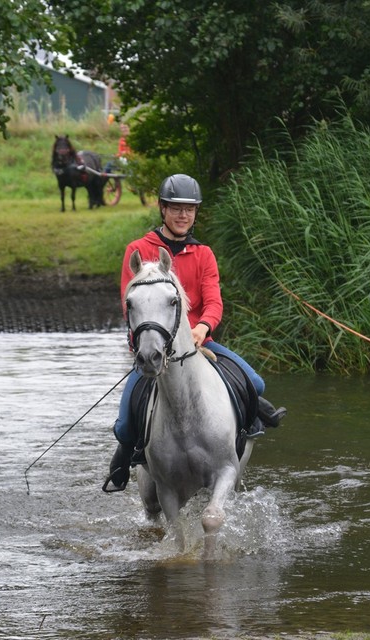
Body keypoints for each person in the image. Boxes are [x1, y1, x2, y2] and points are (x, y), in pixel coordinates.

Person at [104, 173, 285, 491]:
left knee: (255, 383)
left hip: (200, 344)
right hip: (154, 347)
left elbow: (214, 301)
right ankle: (127, 455)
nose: (183, 215)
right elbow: (129, 302)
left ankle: (243, 433)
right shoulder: (139, 250)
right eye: (175, 208)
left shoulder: (204, 254)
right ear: (162, 209)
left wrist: (203, 327)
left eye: (189, 209)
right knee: (123, 425)